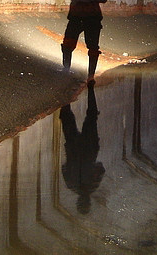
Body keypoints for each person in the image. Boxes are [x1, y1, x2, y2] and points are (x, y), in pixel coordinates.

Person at [62, 0, 109, 79]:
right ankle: (90, 76)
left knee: (68, 44)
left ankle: (66, 71)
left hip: (76, 16)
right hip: (92, 18)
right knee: (93, 48)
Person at [60, 81, 104, 214]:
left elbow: (101, 167)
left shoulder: (92, 184)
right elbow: (64, 168)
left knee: (91, 117)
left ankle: (89, 89)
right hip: (74, 149)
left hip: (88, 148)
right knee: (67, 118)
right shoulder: (72, 185)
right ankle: (66, 93)